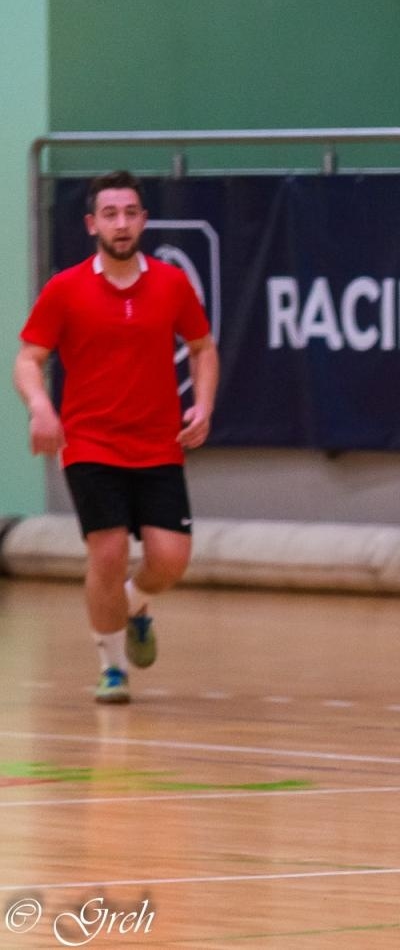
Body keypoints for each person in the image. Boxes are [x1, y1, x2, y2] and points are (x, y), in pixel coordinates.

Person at [13, 171, 217, 705]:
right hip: (90, 444)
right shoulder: (66, 288)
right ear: (91, 223)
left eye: (130, 213)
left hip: (157, 444)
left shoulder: (172, 284)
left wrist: (204, 403)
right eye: (110, 214)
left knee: (170, 559)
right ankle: (111, 667)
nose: (121, 224)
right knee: (105, 553)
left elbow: (202, 345)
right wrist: (41, 408)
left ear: (143, 220)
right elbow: (29, 358)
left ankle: (137, 603)